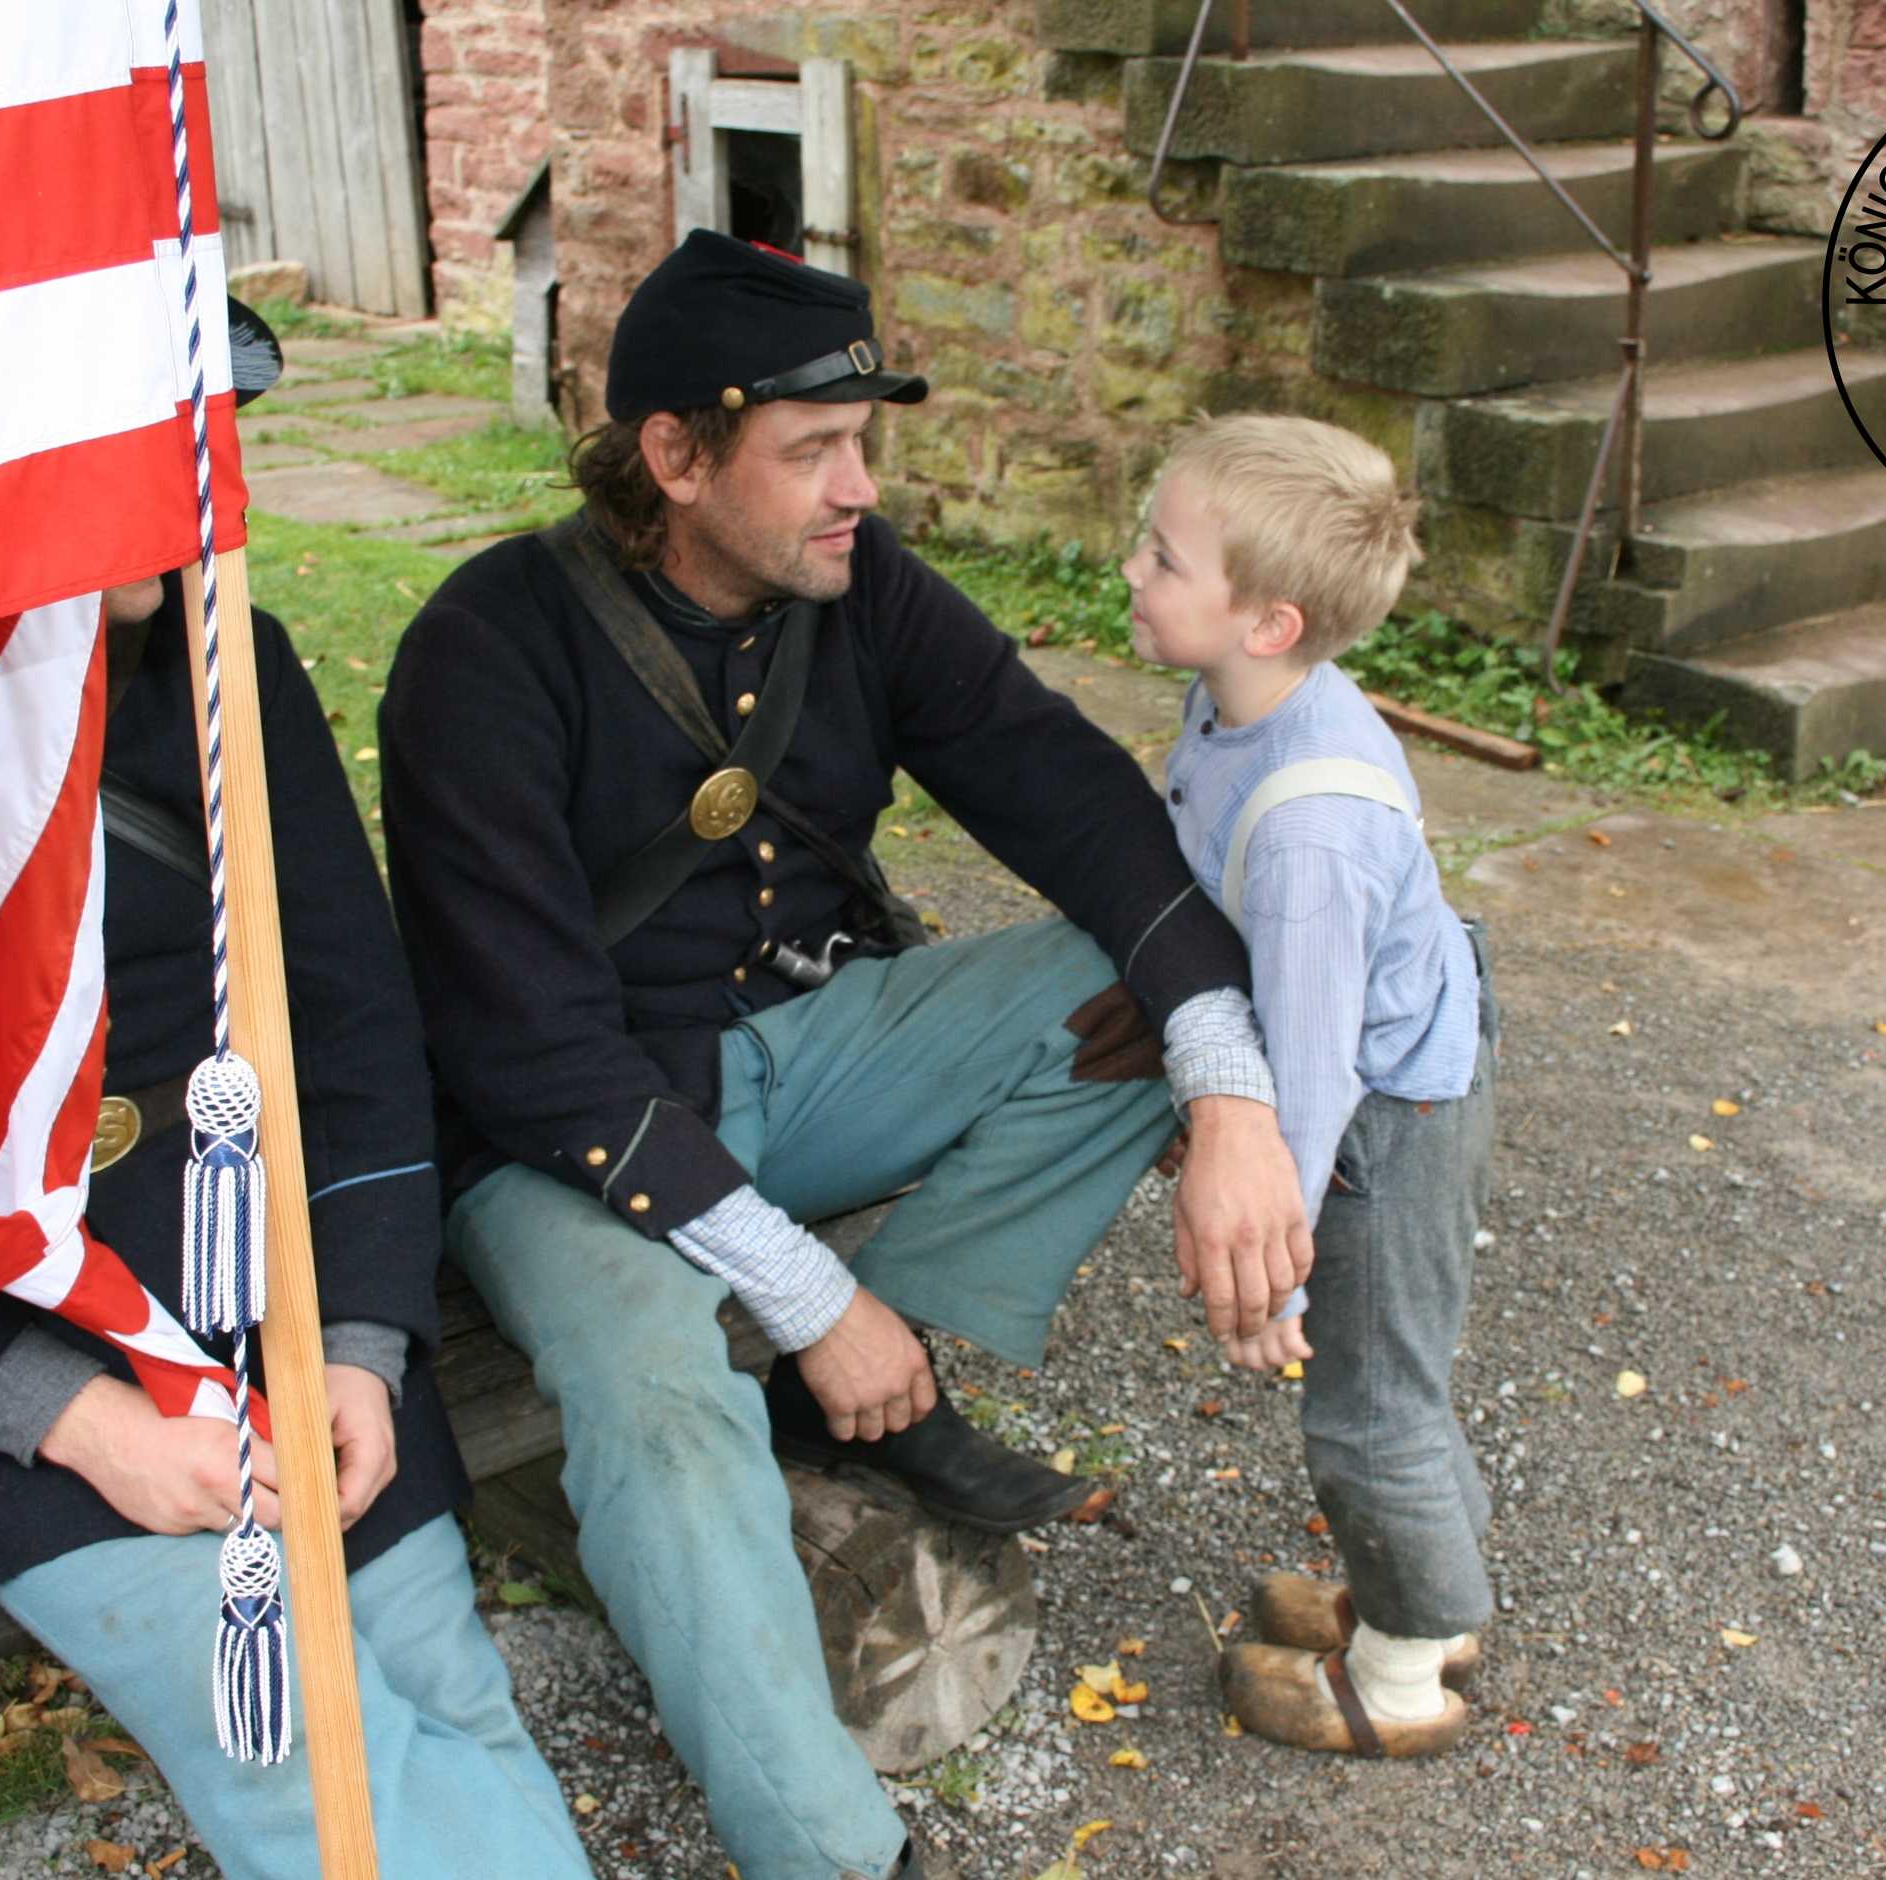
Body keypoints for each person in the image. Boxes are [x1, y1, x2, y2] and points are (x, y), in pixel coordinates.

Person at [377, 229, 1313, 1880]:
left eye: (860, 444)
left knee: (1134, 988)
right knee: (661, 1404)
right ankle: (833, 1851)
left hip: (801, 1057)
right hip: (568, 1136)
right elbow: (528, 1049)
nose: (859, 490)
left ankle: (876, 1402)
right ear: (675, 459)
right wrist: (809, 1293)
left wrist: (1232, 1093)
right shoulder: (487, 647)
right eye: (812, 451)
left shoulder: (861, 586)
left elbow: (1077, 804)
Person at [0, 565, 594, 1880]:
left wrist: (359, 1344)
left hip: (239, 1275)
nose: (167, 497)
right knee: (291, 1737)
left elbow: (354, 1026)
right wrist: (84, 1424)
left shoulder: (228, 656)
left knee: (445, 1680)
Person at [1122, 414, 1498, 1759]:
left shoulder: (1310, 836)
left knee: (1369, 1406)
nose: (1132, 570)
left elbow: (1316, 1070)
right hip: (1387, 1072)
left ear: (1268, 623)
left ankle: (1399, 1677)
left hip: (1386, 1119)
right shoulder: (1244, 700)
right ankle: (1425, 1604)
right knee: (1398, 1375)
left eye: (1164, 558)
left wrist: (1274, 1270)